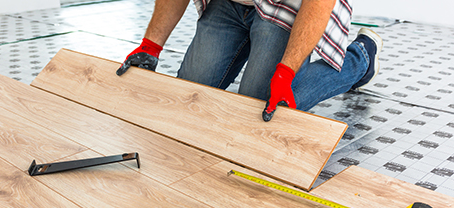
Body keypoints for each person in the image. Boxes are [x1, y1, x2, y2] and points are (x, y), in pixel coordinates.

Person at [116, 0, 383, 121]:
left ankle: (360, 59)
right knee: (187, 96)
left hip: (289, 5)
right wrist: (150, 46)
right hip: (229, 4)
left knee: (259, 110)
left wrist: (285, 72)